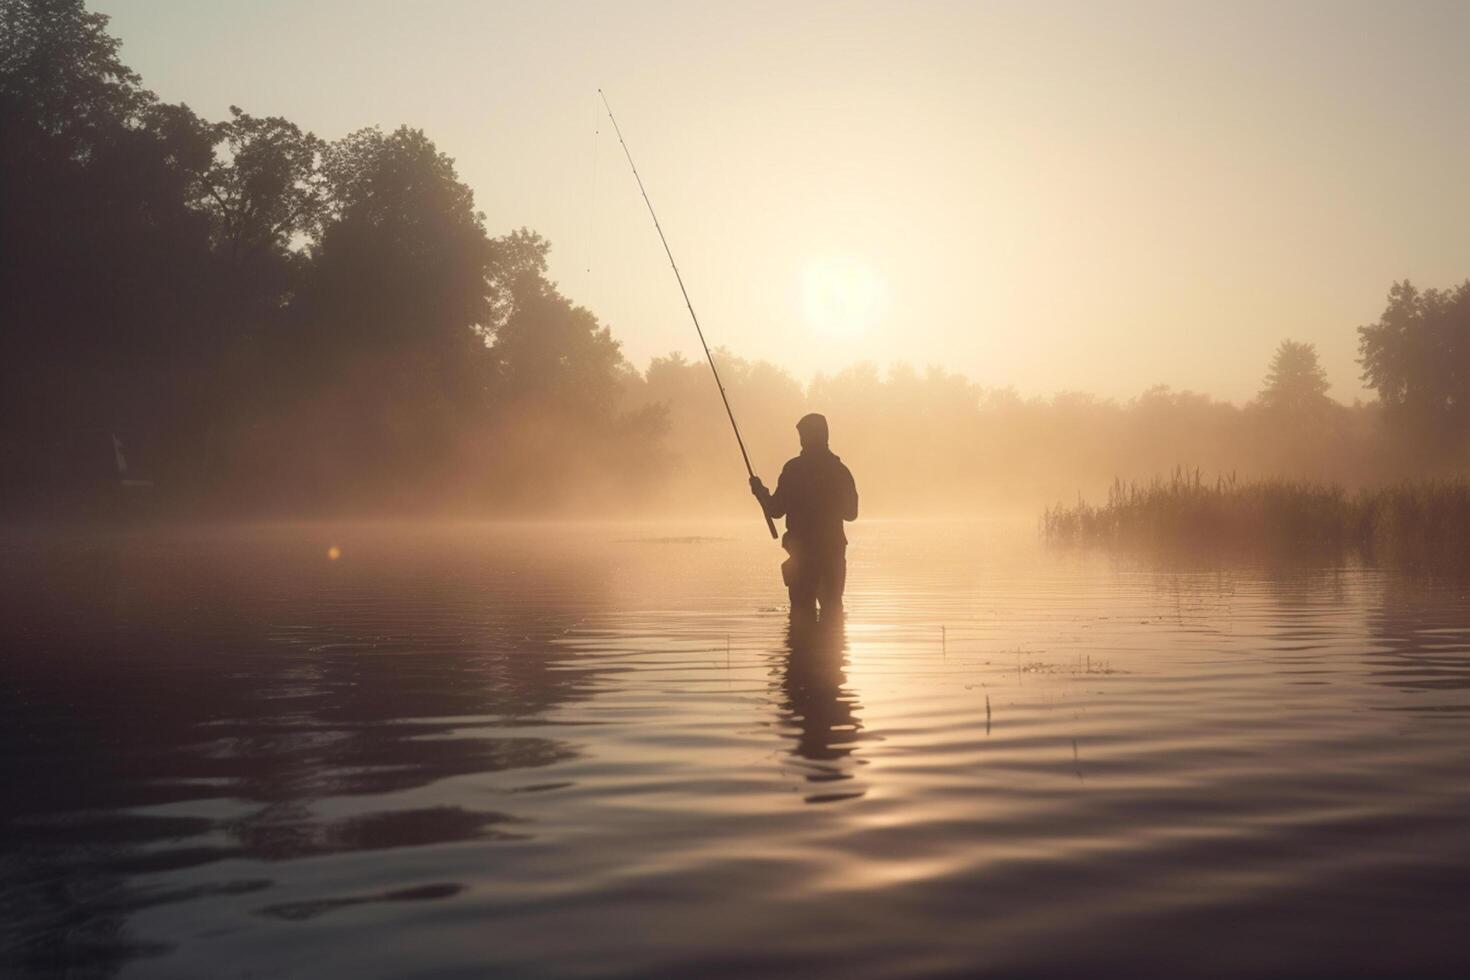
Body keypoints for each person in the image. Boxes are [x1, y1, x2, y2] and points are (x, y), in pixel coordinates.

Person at [750, 413, 858, 618]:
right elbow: (852, 514)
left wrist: (759, 491)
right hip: (832, 554)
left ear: (808, 437)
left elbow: (775, 510)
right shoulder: (840, 471)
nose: (800, 440)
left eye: (802, 435)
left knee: (801, 614)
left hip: (803, 555)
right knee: (833, 611)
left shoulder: (794, 470)